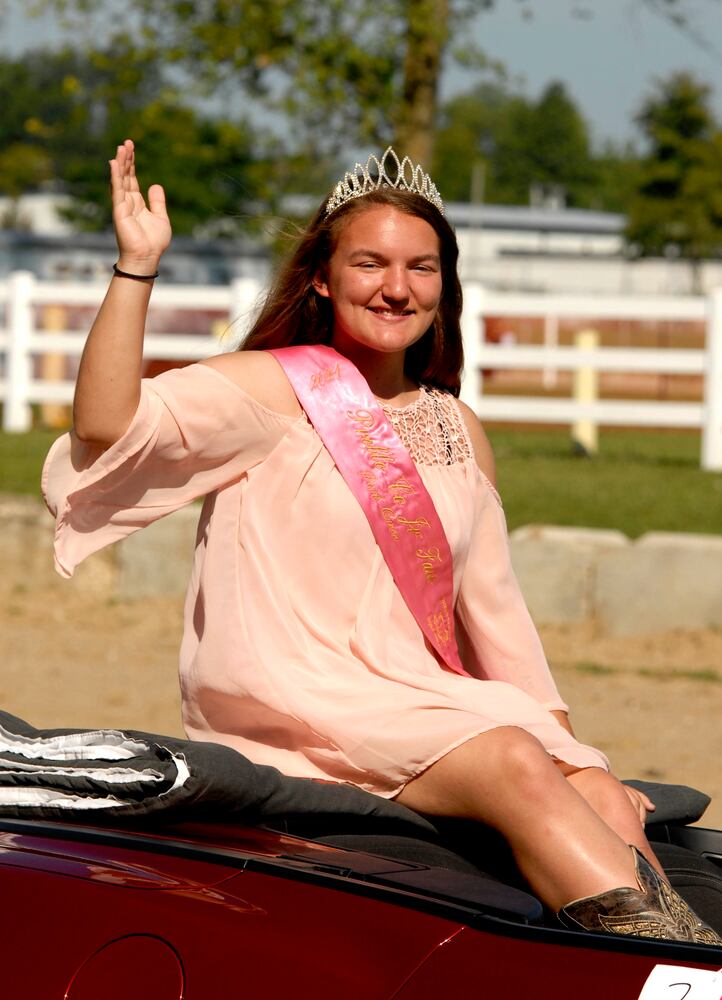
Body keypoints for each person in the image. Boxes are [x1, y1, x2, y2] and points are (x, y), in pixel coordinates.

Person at [43, 139, 719, 945]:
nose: (396, 289)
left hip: (417, 699)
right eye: (370, 264)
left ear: (445, 285)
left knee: (603, 793)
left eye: (421, 268)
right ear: (324, 279)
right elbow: (105, 424)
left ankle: (665, 963)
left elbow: (496, 618)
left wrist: (571, 749)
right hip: (297, 696)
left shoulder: (457, 427)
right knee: (508, 757)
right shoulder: (272, 389)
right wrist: (137, 269)